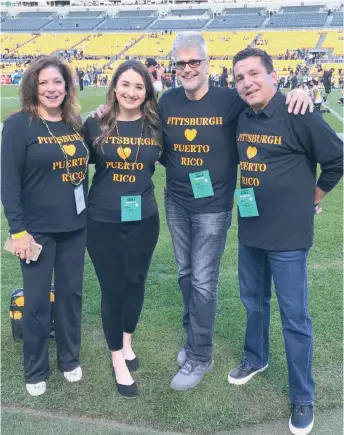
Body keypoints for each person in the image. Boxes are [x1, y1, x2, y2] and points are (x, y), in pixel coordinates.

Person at [157, 32, 313, 392]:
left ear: (207, 63)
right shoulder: (166, 102)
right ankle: (192, 337)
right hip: (176, 201)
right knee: (185, 275)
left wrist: (300, 92)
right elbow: (150, 136)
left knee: (202, 281)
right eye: (180, 63)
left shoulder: (230, 99)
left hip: (213, 206)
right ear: (175, 68)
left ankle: (200, 355)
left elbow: (267, 100)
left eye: (194, 61)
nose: (188, 68)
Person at [228, 48, 343, 435]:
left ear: (274, 76)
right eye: (240, 77)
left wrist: (312, 198)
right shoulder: (240, 115)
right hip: (251, 231)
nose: (247, 82)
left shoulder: (299, 112)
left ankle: (302, 395)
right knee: (253, 303)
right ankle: (255, 357)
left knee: (295, 319)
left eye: (254, 74)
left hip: (290, 237)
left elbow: (337, 159)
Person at [1, 56, 89, 396]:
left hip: (75, 227)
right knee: (37, 301)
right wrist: (18, 230)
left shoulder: (73, 122)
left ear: (67, 86)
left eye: (58, 82)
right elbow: (8, 184)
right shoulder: (19, 125)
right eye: (44, 83)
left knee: (71, 296)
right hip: (36, 232)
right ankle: (35, 369)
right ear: (32, 87)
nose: (52, 89)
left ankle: (69, 358)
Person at [83, 60, 161, 399]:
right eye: (125, 84)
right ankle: (118, 360)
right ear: (114, 87)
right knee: (113, 290)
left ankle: (127, 342)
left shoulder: (157, 126)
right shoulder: (95, 124)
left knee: (136, 283)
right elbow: (66, 161)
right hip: (102, 221)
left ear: (147, 92)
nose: (131, 92)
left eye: (139, 86)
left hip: (145, 219)